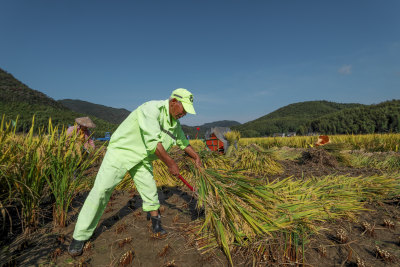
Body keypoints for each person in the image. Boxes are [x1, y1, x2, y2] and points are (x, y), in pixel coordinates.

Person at [68, 88, 202, 256]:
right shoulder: (151, 109)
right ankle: (80, 236)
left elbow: (183, 142)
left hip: (142, 158)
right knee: (101, 191)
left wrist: (196, 156)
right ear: (174, 102)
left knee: (150, 190)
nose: (185, 114)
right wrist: (171, 164)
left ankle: (156, 222)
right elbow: (154, 143)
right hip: (121, 152)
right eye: (184, 109)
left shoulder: (175, 123)